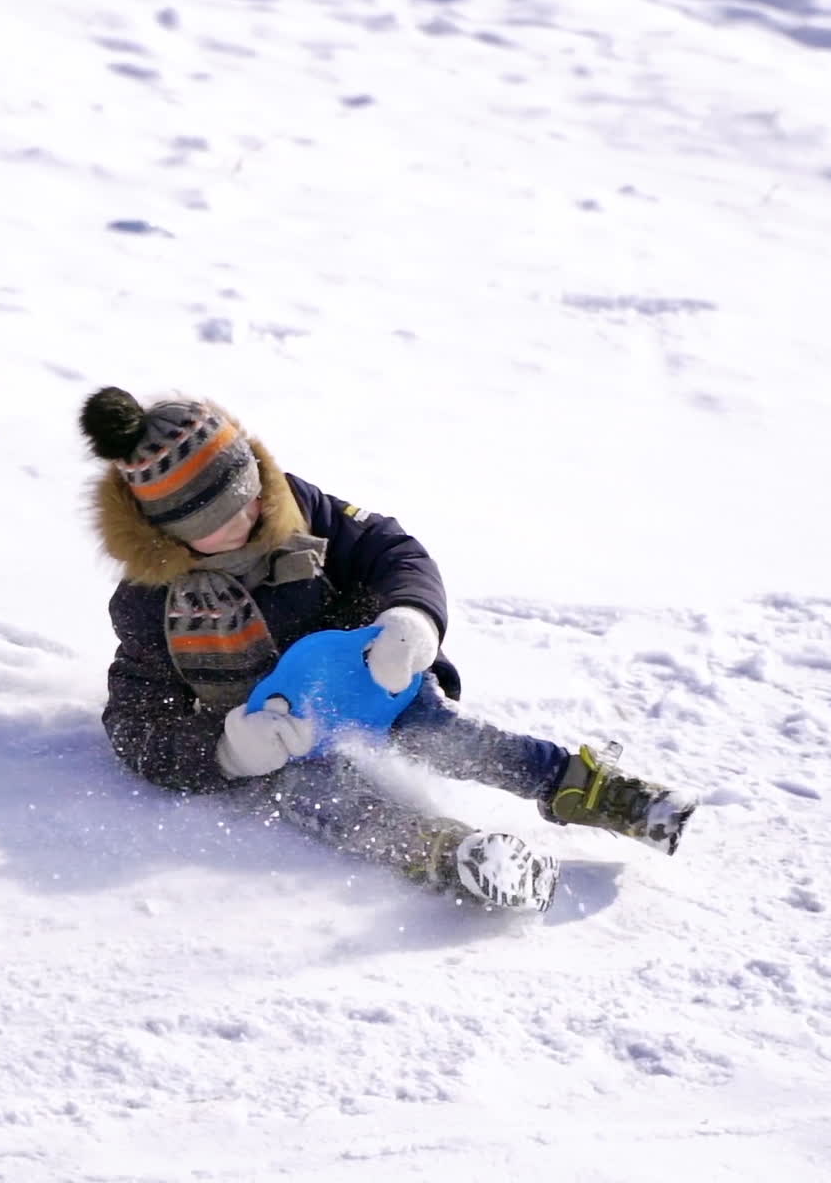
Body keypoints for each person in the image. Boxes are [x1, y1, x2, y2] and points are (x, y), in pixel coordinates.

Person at [78, 386, 696, 910]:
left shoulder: (299, 507)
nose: (250, 520)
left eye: (250, 498)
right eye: (219, 522)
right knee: (333, 803)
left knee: (452, 738)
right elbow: (135, 723)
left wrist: (412, 620)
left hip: (377, 683)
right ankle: (457, 858)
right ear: (170, 531)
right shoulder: (148, 603)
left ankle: (595, 791)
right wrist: (228, 751)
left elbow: (393, 551)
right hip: (284, 744)